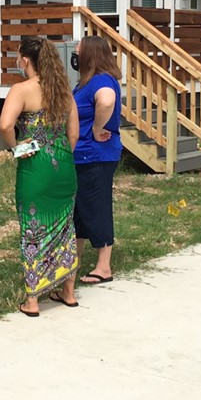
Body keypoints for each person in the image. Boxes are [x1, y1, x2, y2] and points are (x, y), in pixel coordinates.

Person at [0, 36, 80, 316]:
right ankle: (68, 292)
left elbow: (6, 124)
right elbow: (74, 134)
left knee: (33, 230)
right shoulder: (63, 89)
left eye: (18, 57)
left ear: (25, 60)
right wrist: (60, 155)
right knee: (65, 228)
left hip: (36, 166)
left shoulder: (21, 90)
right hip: (64, 165)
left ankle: (33, 300)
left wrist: (16, 146)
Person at [70, 35, 122, 285]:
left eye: (78, 51)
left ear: (89, 54)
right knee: (79, 210)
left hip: (96, 156)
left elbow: (107, 100)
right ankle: (74, 261)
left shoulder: (101, 80)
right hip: (82, 156)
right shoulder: (85, 82)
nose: (75, 55)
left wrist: (96, 128)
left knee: (96, 206)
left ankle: (104, 266)